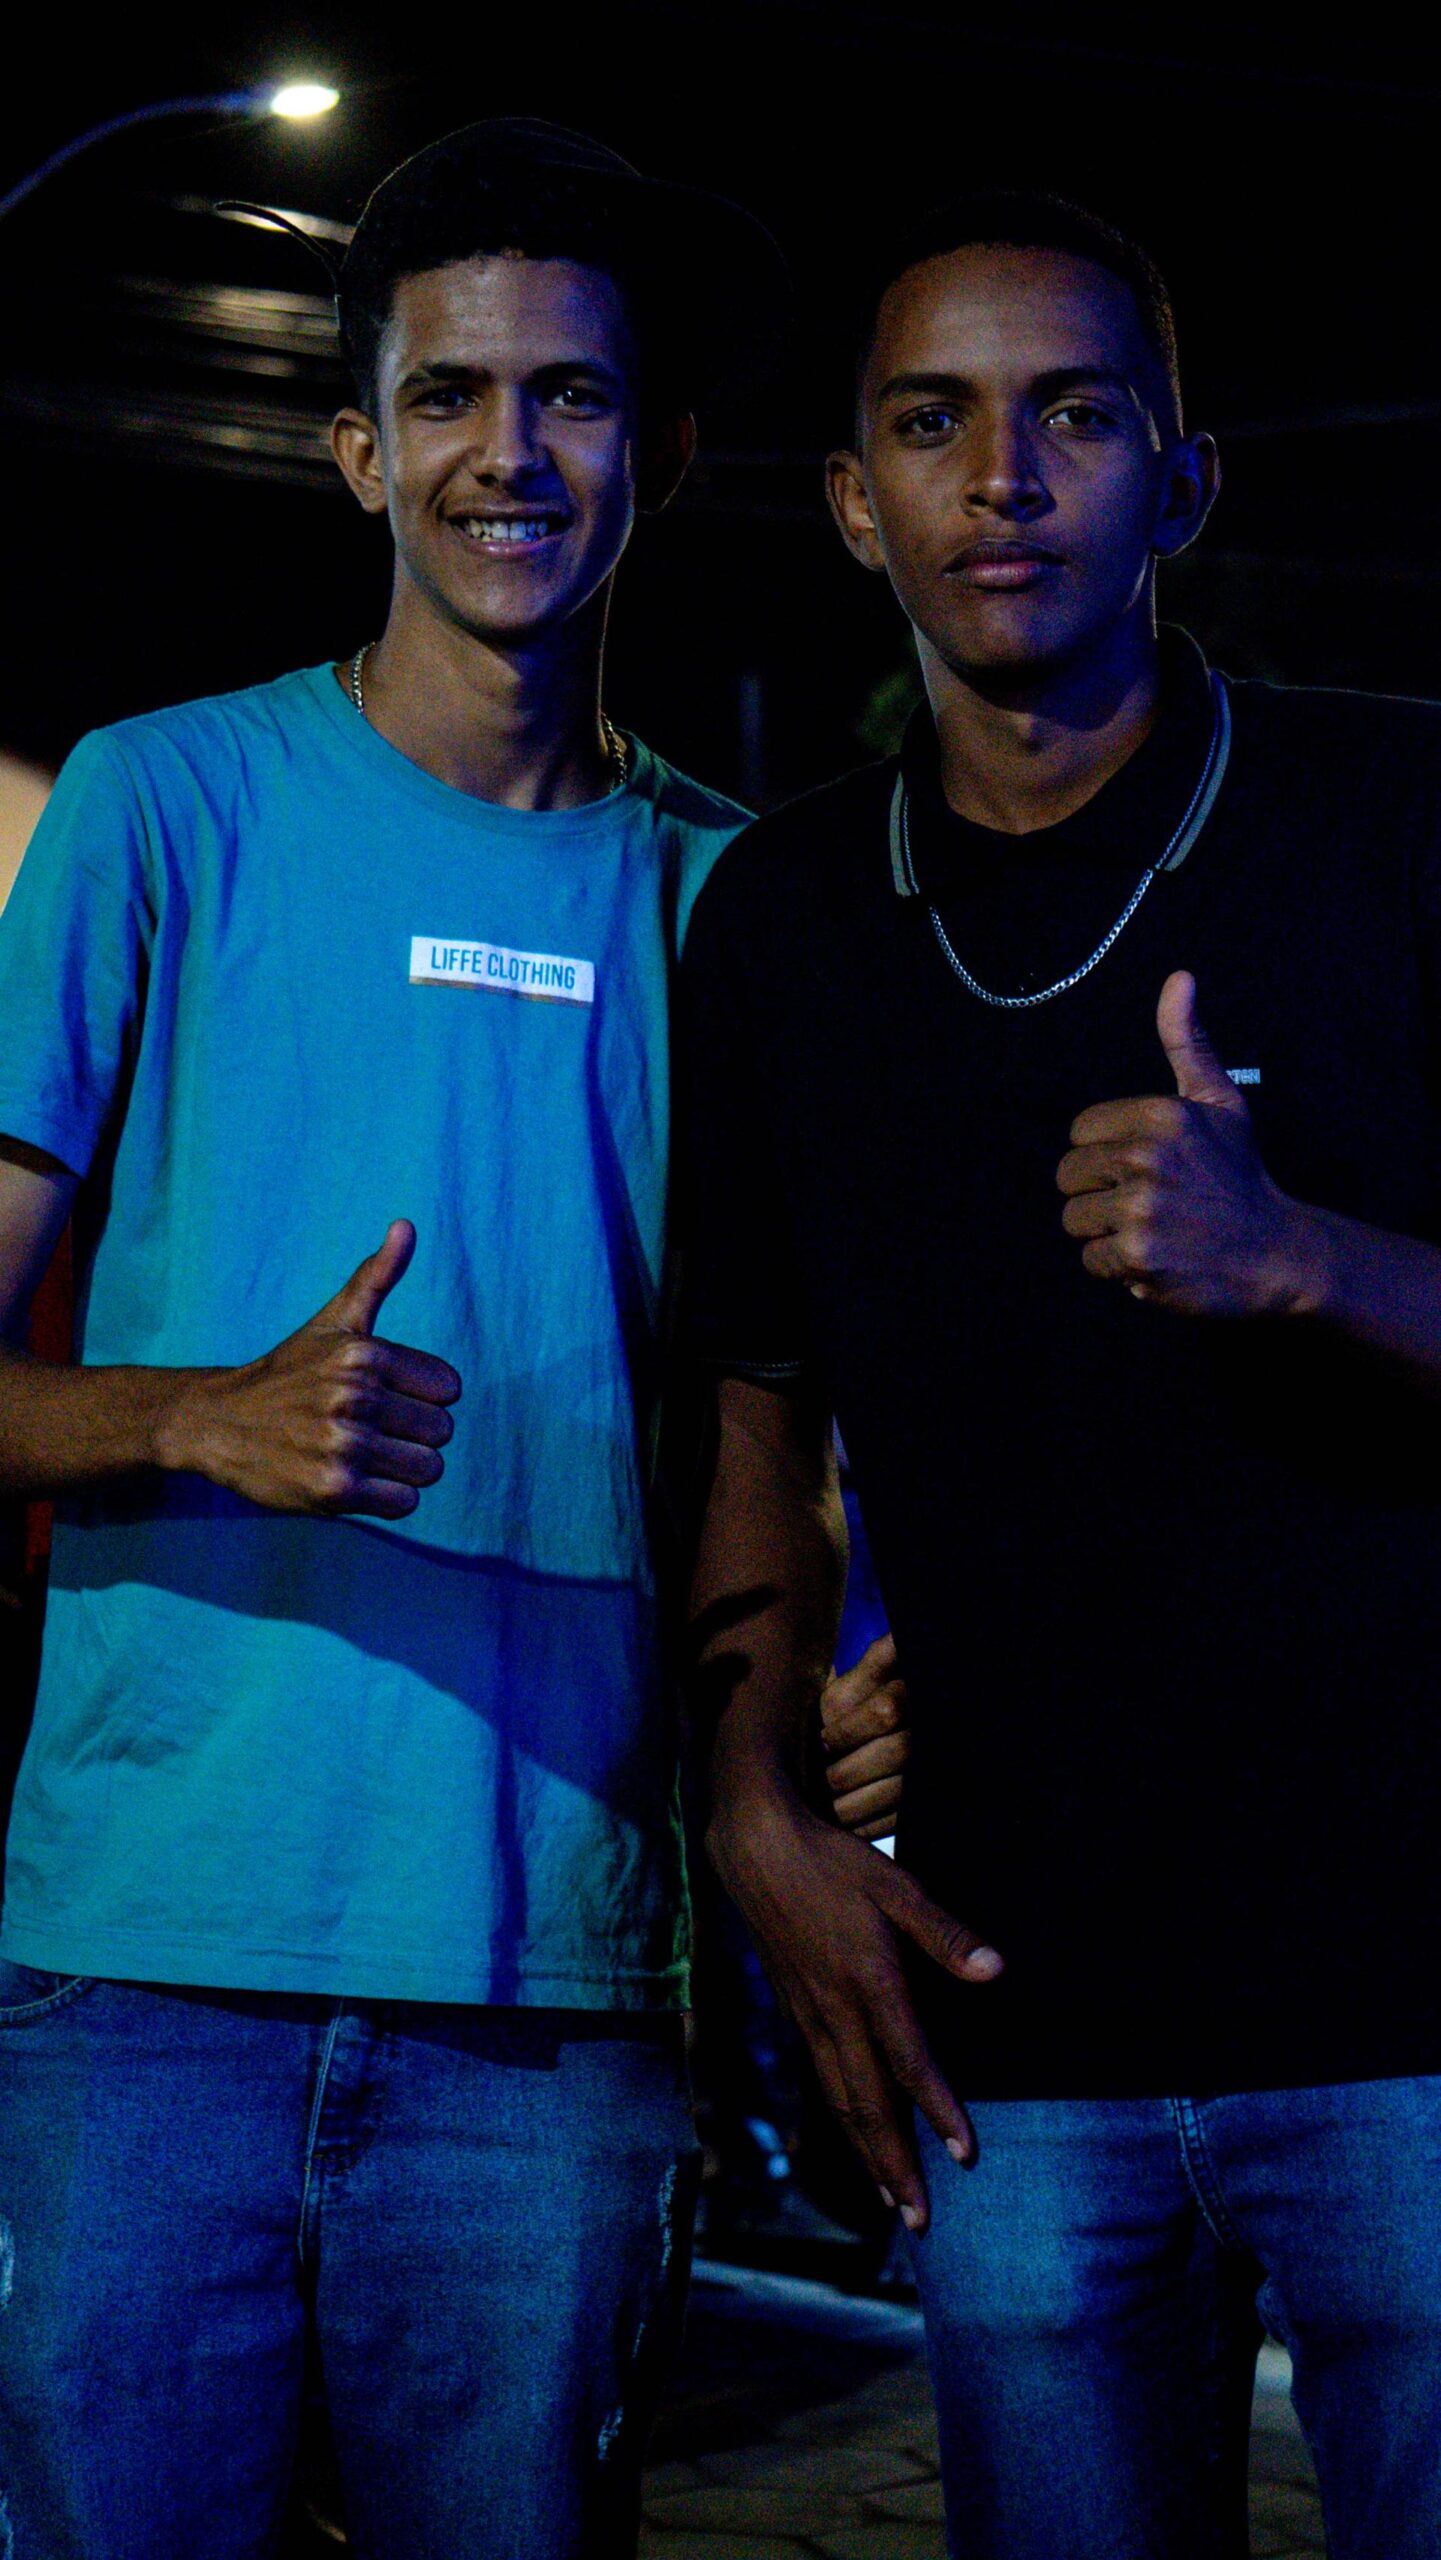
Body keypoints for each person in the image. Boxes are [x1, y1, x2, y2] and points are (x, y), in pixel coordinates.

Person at [0, 116, 902, 2560]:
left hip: (557, 1993)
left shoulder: (734, 902)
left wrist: (818, 1711)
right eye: (452, 395)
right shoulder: (158, 804)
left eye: (572, 395)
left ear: (663, 452)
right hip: (147, 1970)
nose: (513, 451)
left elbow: (776, 1420)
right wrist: (201, 1411)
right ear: (359, 449)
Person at [680, 189, 1441, 2559]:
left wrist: (1298, 1253)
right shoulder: (784, 915)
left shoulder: (1395, 813)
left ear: (1181, 481)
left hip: (1414, 2011)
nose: (1000, 475)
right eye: (932, 422)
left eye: (1073, 415)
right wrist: (757, 1808)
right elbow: (749, 1402)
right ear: (852, 501)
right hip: (1004, 2016)